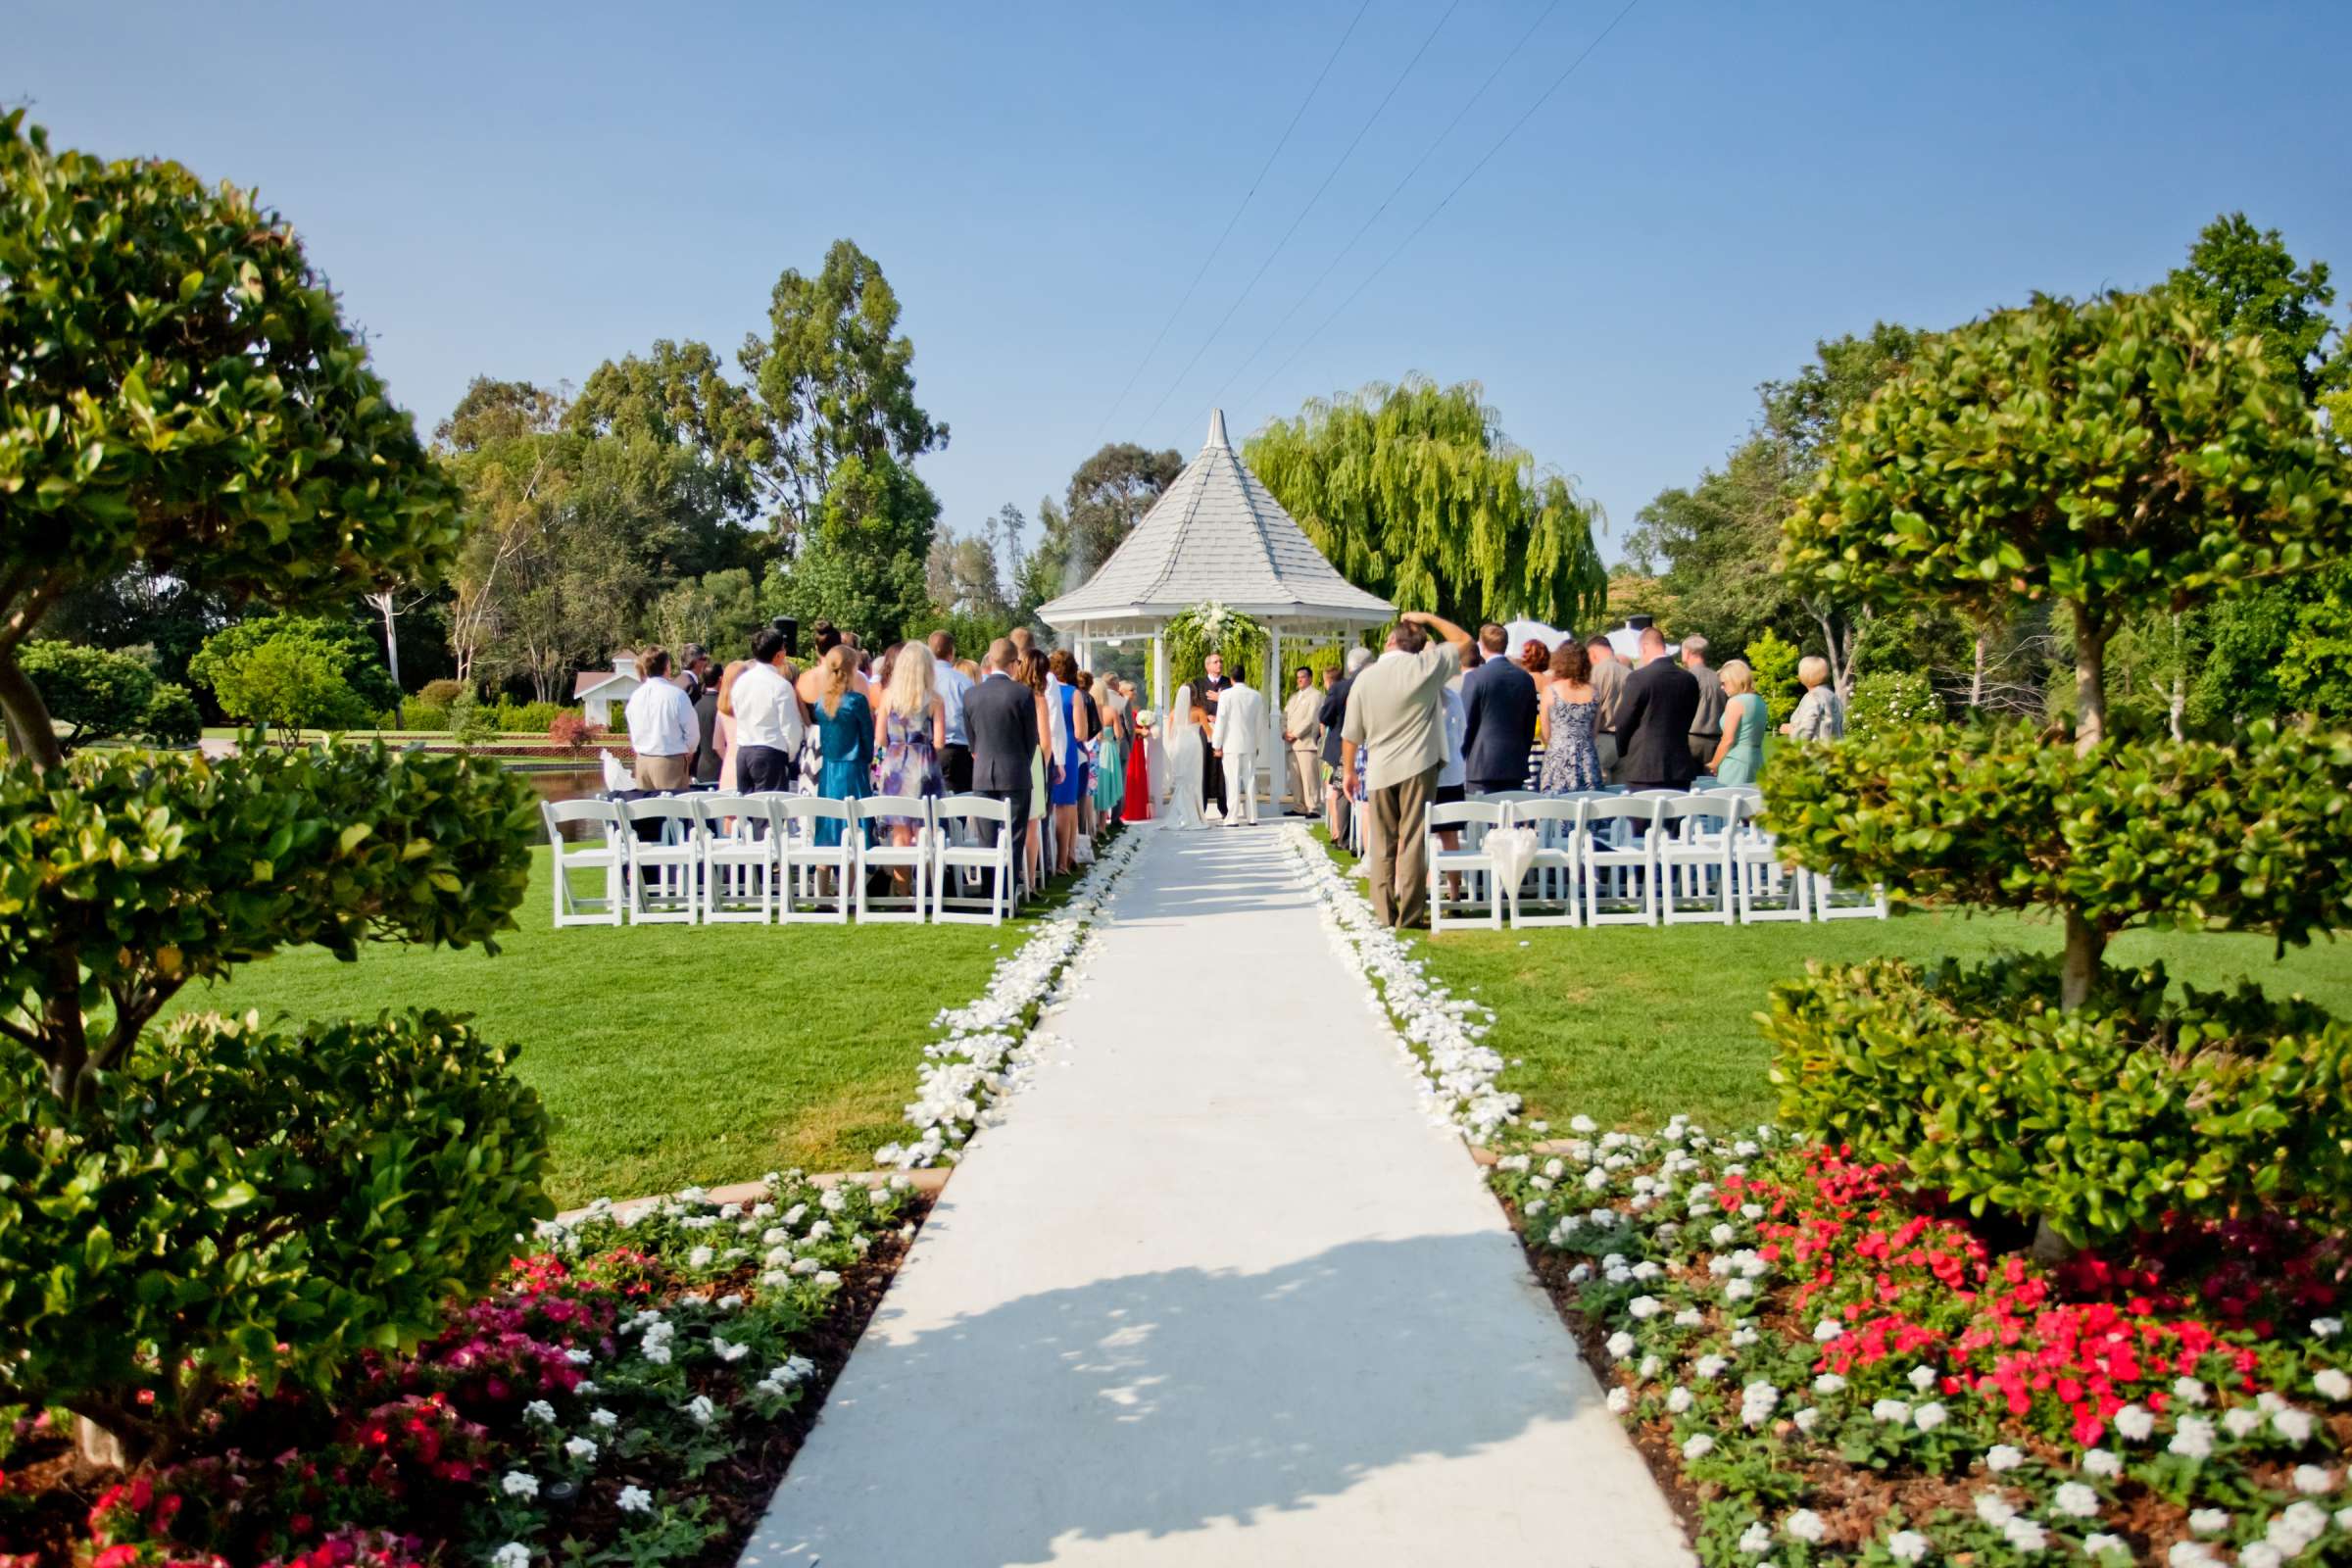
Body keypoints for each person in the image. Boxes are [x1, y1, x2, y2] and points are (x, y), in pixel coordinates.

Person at [1340, 610, 1473, 929]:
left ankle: (1385, 914)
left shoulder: (1365, 678)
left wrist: (1348, 771)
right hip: (1419, 764)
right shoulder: (1425, 667)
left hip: (1380, 767)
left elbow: (1350, 732)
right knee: (1413, 840)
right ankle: (1410, 916)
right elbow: (1465, 641)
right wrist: (1428, 618)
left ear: (1389, 642)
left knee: (1383, 843)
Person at [964, 639, 1039, 901]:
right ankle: (1006, 895)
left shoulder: (972, 694)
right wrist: (1021, 761)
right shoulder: (1022, 693)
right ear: (1012, 663)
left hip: (982, 773)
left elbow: (972, 741)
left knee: (986, 839)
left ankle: (988, 895)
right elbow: (1032, 741)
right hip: (1015, 772)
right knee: (1014, 839)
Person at [872, 641, 946, 890]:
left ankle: (903, 892)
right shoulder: (934, 699)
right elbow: (939, 741)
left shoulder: (888, 697)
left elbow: (880, 738)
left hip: (895, 765)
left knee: (900, 834)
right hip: (923, 763)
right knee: (927, 831)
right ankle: (928, 888)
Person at [1615, 626, 1702, 791]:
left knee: (1641, 815)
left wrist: (1623, 750)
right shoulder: (1689, 679)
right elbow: (1690, 715)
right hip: (1680, 766)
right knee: (1674, 816)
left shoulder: (1638, 678)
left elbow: (1624, 720)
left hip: (1643, 766)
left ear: (1644, 647)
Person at [1462, 622, 1540, 797]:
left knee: (1480, 820)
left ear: (1481, 646)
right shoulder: (1525, 679)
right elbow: (1529, 723)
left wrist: (1464, 756)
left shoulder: (1475, 677)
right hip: (1515, 762)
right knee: (1510, 821)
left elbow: (1466, 722)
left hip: (1480, 765)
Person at [807, 646, 872, 849]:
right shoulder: (857, 702)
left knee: (828, 827)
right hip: (854, 769)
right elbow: (867, 738)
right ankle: (853, 878)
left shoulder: (821, 703)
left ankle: (823, 878)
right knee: (854, 828)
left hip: (829, 770)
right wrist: (868, 758)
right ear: (852, 668)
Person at [729, 629, 806, 793]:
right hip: (770, 752)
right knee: (770, 814)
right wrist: (788, 755)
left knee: (747, 813)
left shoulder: (741, 681)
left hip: (744, 751)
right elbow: (790, 727)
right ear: (778, 655)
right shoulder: (780, 685)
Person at [624, 647, 700, 791]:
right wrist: (688, 751)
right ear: (668, 667)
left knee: (648, 811)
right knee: (673, 810)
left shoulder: (636, 696)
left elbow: (632, 728)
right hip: (669, 760)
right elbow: (692, 733)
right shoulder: (676, 695)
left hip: (643, 761)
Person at [1045, 650, 1091, 873]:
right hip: (1068, 749)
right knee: (1067, 804)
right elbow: (1081, 732)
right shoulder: (1074, 694)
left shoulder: (1042, 691)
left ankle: (1056, 855)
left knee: (1049, 804)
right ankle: (1064, 859)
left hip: (1046, 747)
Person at [1538, 640, 1604, 794]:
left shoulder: (1551, 690)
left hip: (1558, 756)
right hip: (1587, 756)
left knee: (1556, 808)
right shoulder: (1594, 691)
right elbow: (1594, 731)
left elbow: (1546, 732)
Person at [1320, 648, 1371, 840]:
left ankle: (1343, 836)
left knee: (1341, 791)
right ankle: (1354, 836)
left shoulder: (1339, 688)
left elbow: (1325, 716)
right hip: (1367, 743)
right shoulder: (1375, 684)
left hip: (1341, 744)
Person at [1019, 649, 1056, 887]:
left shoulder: (1014, 694)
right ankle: (1031, 878)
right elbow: (1046, 742)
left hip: (1013, 758)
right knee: (1032, 824)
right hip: (1032, 760)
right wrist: (1042, 766)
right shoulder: (1037, 698)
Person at [1210, 669, 1266, 827]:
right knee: (1250, 780)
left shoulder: (1226, 695)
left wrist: (1217, 744)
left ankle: (1232, 817)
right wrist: (1256, 743)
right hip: (1249, 744)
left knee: (1232, 781)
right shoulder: (1256, 695)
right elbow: (1259, 723)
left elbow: (1221, 721)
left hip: (1231, 744)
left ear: (1232, 679)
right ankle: (1252, 817)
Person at [928, 630, 976, 793]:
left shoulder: (922, 680)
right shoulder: (963, 681)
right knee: (961, 804)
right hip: (959, 751)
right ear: (951, 652)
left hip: (927, 750)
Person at [1710, 659, 1768, 784]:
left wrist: (1714, 763)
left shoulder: (1735, 702)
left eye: (1724, 683)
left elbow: (1727, 740)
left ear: (1734, 680)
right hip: (1757, 759)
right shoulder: (1760, 701)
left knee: (1729, 799)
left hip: (1736, 761)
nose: (1721, 687)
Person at [1160, 680, 1206, 829]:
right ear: (1194, 695)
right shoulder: (1199, 712)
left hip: (1179, 746)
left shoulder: (1173, 713)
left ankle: (1181, 813)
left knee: (1182, 780)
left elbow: (1170, 735)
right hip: (1193, 746)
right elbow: (1209, 732)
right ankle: (1195, 814)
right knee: (1194, 780)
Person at [1196, 652, 1234, 820]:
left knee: (1223, 768)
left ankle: (1224, 807)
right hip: (1204, 731)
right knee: (1203, 766)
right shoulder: (1198, 683)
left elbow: (1236, 705)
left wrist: (1221, 701)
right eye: (1216, 662)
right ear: (1208, 665)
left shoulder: (1229, 683)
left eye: (1221, 661)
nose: (1220, 664)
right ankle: (1201, 807)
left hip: (1224, 731)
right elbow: (1193, 705)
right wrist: (1205, 717)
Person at [1281, 666, 1323, 817]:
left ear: (1310, 678)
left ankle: (1313, 807)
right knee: (1296, 779)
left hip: (1306, 743)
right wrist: (1284, 732)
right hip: (1291, 744)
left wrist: (1296, 734)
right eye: (1298, 677)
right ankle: (1299, 806)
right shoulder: (1293, 697)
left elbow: (1312, 719)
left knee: (1309, 777)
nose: (1299, 680)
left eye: (1303, 677)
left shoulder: (1316, 696)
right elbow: (1284, 716)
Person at [1682, 633, 1725, 772]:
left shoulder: (1687, 677)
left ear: (1688, 653)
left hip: (1691, 740)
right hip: (1716, 740)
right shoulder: (1719, 677)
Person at [1587, 634, 1627, 784]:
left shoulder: (1595, 673)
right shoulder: (1630, 673)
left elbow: (1590, 707)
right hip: (1625, 741)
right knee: (1622, 794)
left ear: (1593, 653)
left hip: (1601, 739)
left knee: (1602, 794)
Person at [1091, 671, 1128, 826]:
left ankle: (1093, 823)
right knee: (1107, 784)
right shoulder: (1111, 711)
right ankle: (1102, 824)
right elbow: (1119, 734)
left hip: (1094, 750)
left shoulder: (1090, 709)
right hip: (1109, 749)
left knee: (1096, 784)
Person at [1785, 656, 1846, 743]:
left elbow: (1806, 731)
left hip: (1817, 752)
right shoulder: (1832, 696)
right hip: (1834, 751)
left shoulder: (1813, 698)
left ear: (1803, 676)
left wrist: (1791, 730)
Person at [710, 660, 749, 792]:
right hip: (750, 765)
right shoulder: (749, 706)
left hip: (729, 766)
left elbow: (717, 744)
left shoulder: (722, 709)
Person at [1121, 680, 1154, 822]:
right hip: (1130, 744)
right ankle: (1128, 810)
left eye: (1134, 689)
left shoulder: (1134, 706)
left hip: (1138, 743)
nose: (1134, 692)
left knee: (1139, 773)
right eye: (1131, 690)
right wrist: (1140, 730)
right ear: (1123, 691)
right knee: (1129, 774)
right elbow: (1124, 726)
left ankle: (1139, 810)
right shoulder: (1121, 705)